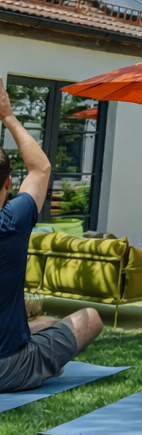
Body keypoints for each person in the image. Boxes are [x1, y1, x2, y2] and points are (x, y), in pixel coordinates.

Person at [0, 76, 103, 393]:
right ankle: (44, 365)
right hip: (9, 367)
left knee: (44, 324)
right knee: (90, 318)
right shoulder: (12, 222)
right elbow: (40, 169)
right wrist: (7, 115)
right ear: (7, 186)